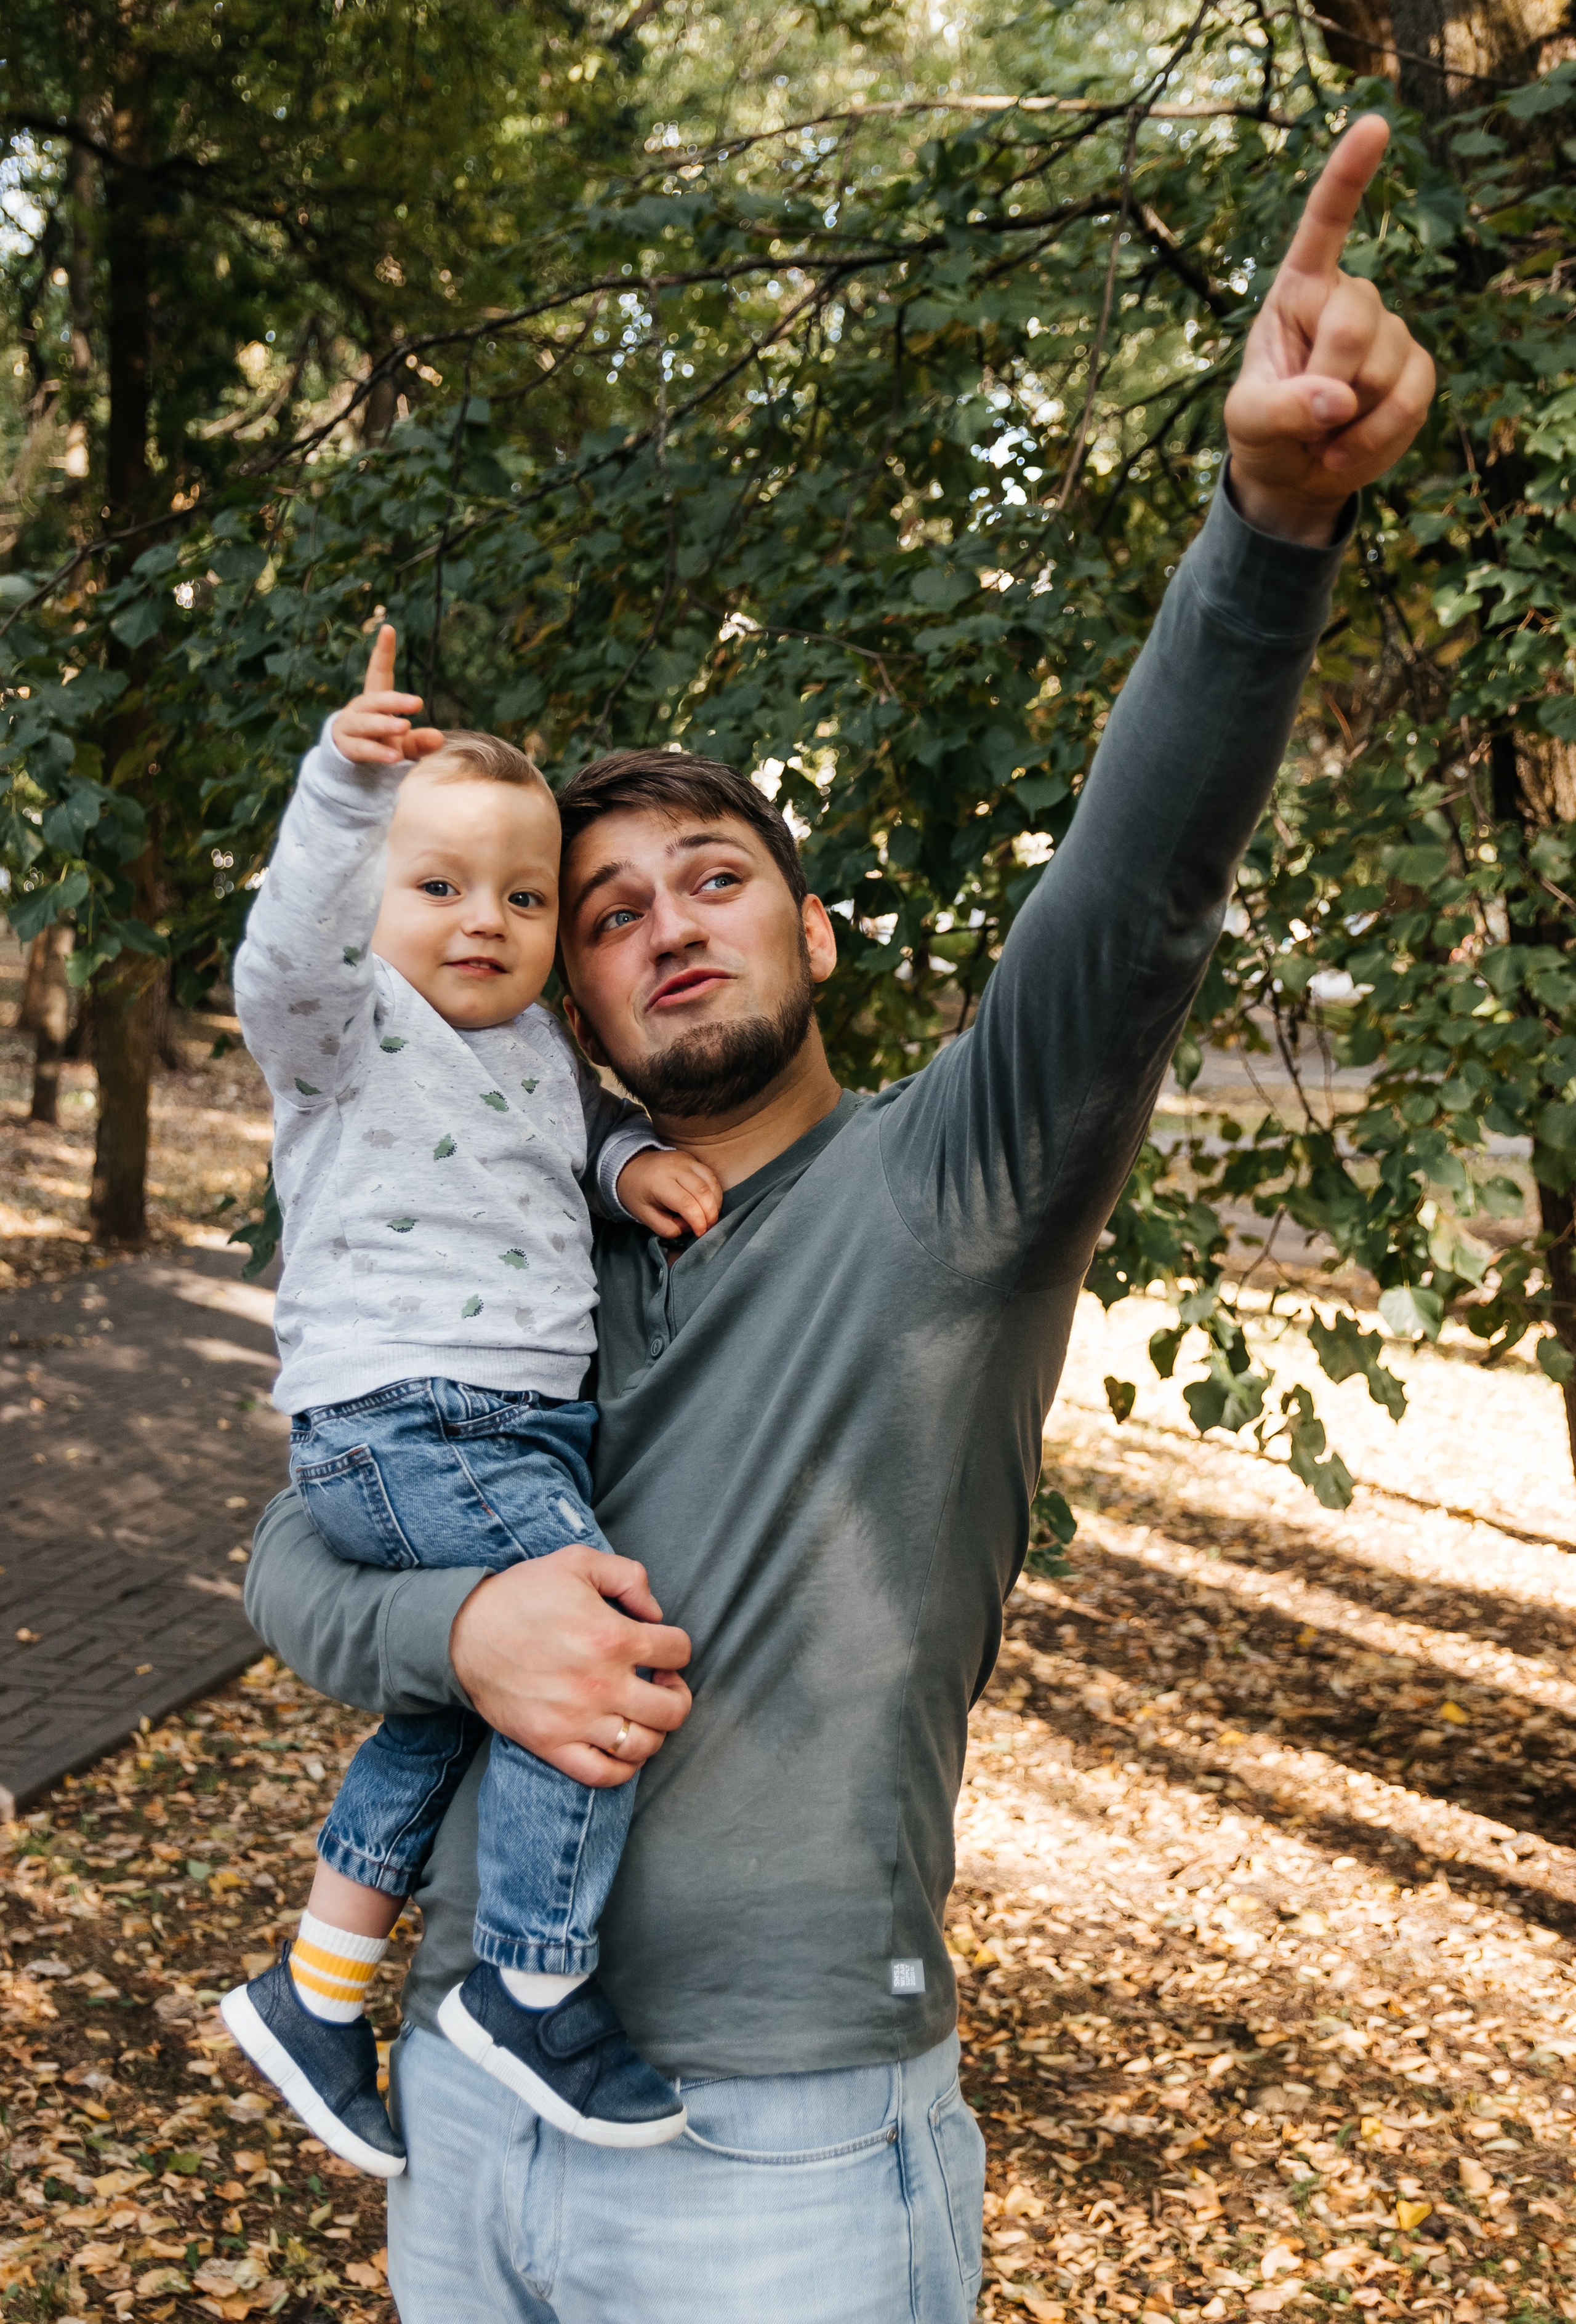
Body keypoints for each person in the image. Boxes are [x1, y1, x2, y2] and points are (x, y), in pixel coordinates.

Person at [242, 117, 1434, 2322]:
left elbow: (1140, 887)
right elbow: (289, 1566)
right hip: (473, 2111)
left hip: (776, 2165)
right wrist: (466, 1640)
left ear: (808, 924)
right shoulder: (528, 1254)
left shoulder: (958, 1184)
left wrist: (1268, 532)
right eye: (607, 912)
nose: (669, 931)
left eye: (715, 882)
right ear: (556, 991)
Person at [223, 673, 723, 2174]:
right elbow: (282, 954)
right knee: (593, 1649)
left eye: (521, 894)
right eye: (435, 885)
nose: (482, 920)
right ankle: (533, 1982)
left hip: (504, 1435)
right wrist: (342, 796)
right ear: (373, 898)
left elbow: (582, 1132)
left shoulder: (533, 1056)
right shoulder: (343, 1025)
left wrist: (632, 1162)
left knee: (459, 1700)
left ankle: (315, 1990)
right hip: (407, 1416)